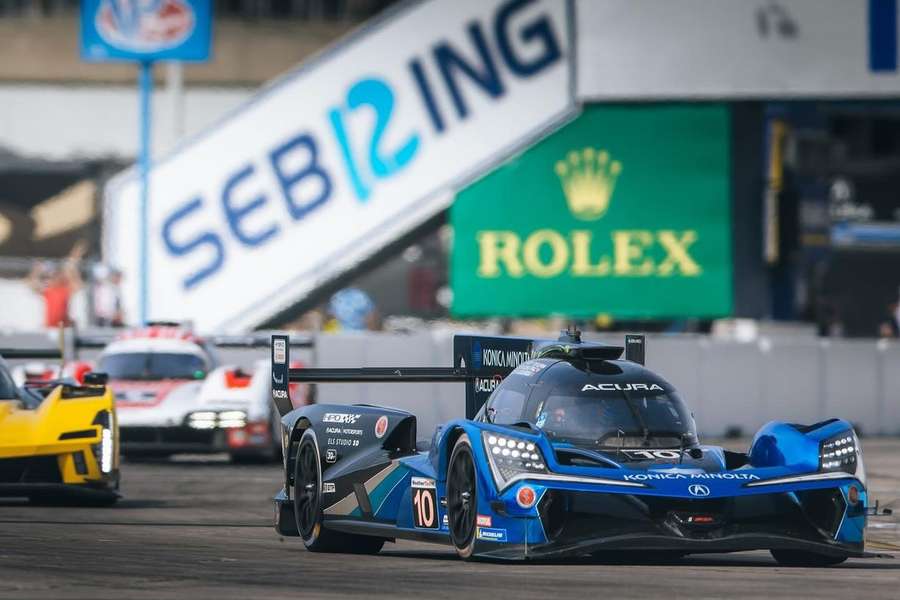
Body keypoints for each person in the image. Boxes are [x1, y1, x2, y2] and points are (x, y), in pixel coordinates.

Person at [26, 241, 85, 328]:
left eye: (55, 275)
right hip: (50, 327)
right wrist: (36, 271)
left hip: (64, 327)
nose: (52, 278)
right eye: (52, 276)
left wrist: (74, 261)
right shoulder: (48, 290)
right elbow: (31, 285)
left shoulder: (65, 290)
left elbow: (78, 284)